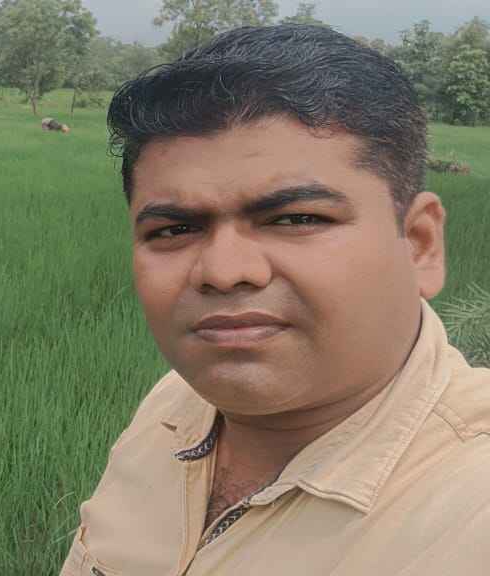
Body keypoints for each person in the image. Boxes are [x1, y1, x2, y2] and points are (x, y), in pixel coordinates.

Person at [61, 24, 490, 576]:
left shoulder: (470, 507)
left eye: (296, 219)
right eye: (174, 229)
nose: (224, 272)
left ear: (420, 244)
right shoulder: (175, 403)